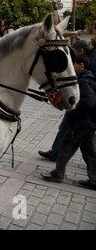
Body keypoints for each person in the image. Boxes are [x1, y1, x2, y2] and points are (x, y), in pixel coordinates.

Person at [41, 54, 96, 190]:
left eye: (74, 64)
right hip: (88, 124)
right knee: (90, 152)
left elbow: (88, 102)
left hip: (81, 123)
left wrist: (72, 111)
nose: (72, 67)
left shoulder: (84, 81)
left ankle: (58, 173)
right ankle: (94, 180)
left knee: (65, 146)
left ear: (81, 64)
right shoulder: (89, 79)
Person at [38, 41, 93, 161]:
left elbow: (87, 89)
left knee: (85, 139)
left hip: (83, 103)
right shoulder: (87, 61)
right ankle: (56, 154)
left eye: (74, 50)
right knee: (66, 129)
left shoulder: (88, 66)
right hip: (80, 101)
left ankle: (58, 159)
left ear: (81, 51)